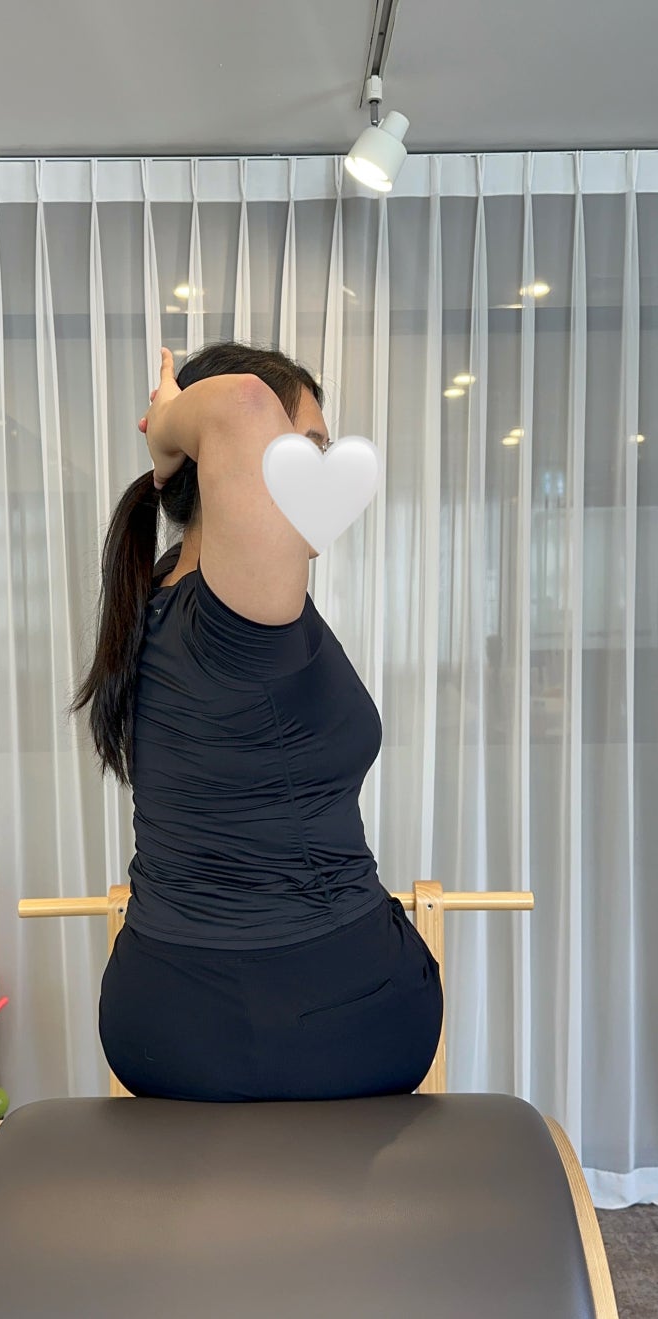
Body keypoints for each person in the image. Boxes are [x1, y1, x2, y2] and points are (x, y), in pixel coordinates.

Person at [70, 340, 443, 1101]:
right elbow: (241, 404)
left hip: (160, 1022)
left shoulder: (163, 598)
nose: (321, 474)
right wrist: (167, 428)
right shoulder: (235, 615)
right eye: (306, 450)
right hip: (326, 1022)